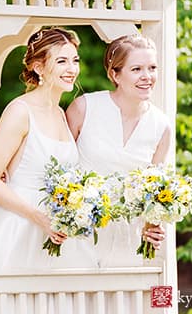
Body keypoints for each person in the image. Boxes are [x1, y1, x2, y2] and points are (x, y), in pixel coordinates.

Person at [0, 28, 96, 312]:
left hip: (58, 232)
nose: (72, 69)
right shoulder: (19, 111)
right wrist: (39, 218)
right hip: (18, 228)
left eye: (75, 60)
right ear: (38, 67)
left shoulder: (61, 114)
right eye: (61, 61)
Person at [66, 34, 170, 271]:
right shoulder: (84, 108)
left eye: (152, 68)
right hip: (80, 235)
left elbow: (155, 191)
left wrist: (153, 225)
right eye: (136, 69)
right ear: (115, 74)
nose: (147, 76)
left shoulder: (161, 125)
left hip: (129, 241)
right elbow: (55, 162)